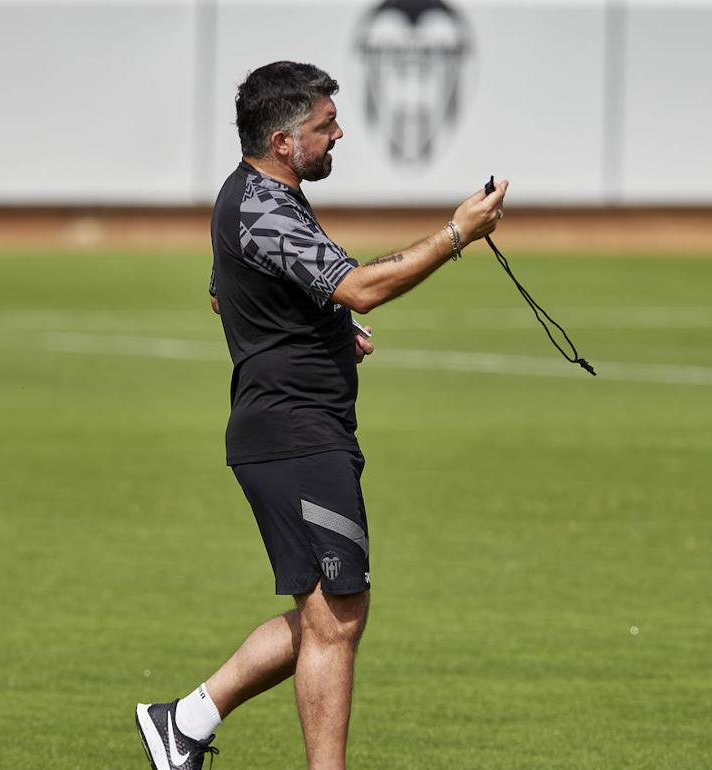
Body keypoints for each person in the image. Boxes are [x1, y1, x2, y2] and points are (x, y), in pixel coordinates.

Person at [136, 60, 508, 770]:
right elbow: (361, 286)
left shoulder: (251, 197)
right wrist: (457, 235)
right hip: (294, 434)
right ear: (283, 140)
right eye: (324, 126)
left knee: (327, 614)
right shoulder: (264, 205)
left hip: (292, 430)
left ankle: (184, 721)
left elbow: (228, 294)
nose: (339, 134)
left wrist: (327, 334)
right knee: (338, 618)